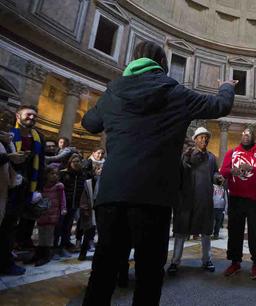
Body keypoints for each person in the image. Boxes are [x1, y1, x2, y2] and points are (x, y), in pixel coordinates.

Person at [81, 40, 236, 305]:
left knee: (103, 272)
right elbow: (220, 106)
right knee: (149, 275)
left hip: (112, 193)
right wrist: (225, 87)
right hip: (153, 196)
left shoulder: (114, 90)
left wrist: (113, 104)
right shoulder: (174, 92)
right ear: (163, 65)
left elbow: (90, 123)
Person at [167, 127, 222, 275]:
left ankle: (206, 260)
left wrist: (218, 178)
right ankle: (175, 261)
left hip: (204, 199)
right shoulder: (187, 154)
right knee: (180, 231)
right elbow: (180, 171)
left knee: (206, 232)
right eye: (201, 137)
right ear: (195, 139)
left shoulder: (211, 157)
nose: (204, 140)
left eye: (206, 137)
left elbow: (214, 173)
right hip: (186, 199)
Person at [220, 127, 256, 280]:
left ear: (253, 137)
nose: (245, 136)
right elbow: (223, 171)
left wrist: (252, 168)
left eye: (248, 134)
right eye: (243, 134)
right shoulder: (232, 152)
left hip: (254, 199)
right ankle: (235, 262)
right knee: (234, 231)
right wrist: (232, 172)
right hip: (236, 198)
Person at [0, 105, 45, 275]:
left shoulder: (39, 137)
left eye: (34, 116)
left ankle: (6, 260)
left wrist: (38, 189)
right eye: (28, 115)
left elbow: (40, 166)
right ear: (18, 117)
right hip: (6, 185)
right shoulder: (9, 134)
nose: (32, 118)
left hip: (25, 189)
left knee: (12, 227)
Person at [31, 166, 66, 266]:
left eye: (56, 174)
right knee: (41, 234)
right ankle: (39, 254)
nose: (54, 175)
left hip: (53, 215)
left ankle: (46, 256)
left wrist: (63, 209)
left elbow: (62, 199)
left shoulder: (59, 186)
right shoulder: (42, 186)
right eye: (52, 173)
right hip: (42, 214)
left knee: (49, 236)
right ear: (46, 174)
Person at [58, 154, 86, 254]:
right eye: (74, 162)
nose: (76, 163)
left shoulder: (82, 174)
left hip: (75, 204)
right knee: (60, 225)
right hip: (63, 204)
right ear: (70, 163)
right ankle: (58, 245)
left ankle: (66, 242)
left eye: (78, 161)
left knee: (68, 225)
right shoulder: (63, 173)